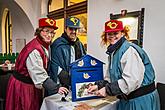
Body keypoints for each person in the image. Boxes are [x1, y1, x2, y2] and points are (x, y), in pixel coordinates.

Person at [88, 19, 160, 110]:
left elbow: (131, 81)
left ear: (122, 33)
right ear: (105, 35)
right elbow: (110, 77)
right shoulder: (113, 52)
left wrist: (107, 90)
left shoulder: (129, 50)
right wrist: (99, 86)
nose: (112, 36)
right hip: (127, 99)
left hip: (140, 100)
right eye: (109, 34)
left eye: (116, 33)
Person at [5, 18, 69, 110]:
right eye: (46, 31)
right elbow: (39, 74)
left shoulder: (46, 45)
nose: (49, 35)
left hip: (32, 84)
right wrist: (56, 87)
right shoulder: (33, 50)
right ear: (39, 31)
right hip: (23, 86)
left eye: (52, 32)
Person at [47, 16, 86, 95]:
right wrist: (66, 77)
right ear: (65, 29)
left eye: (76, 29)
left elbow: (84, 60)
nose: (73, 31)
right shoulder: (57, 44)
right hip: (62, 83)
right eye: (71, 29)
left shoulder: (79, 44)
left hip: (76, 80)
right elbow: (54, 64)